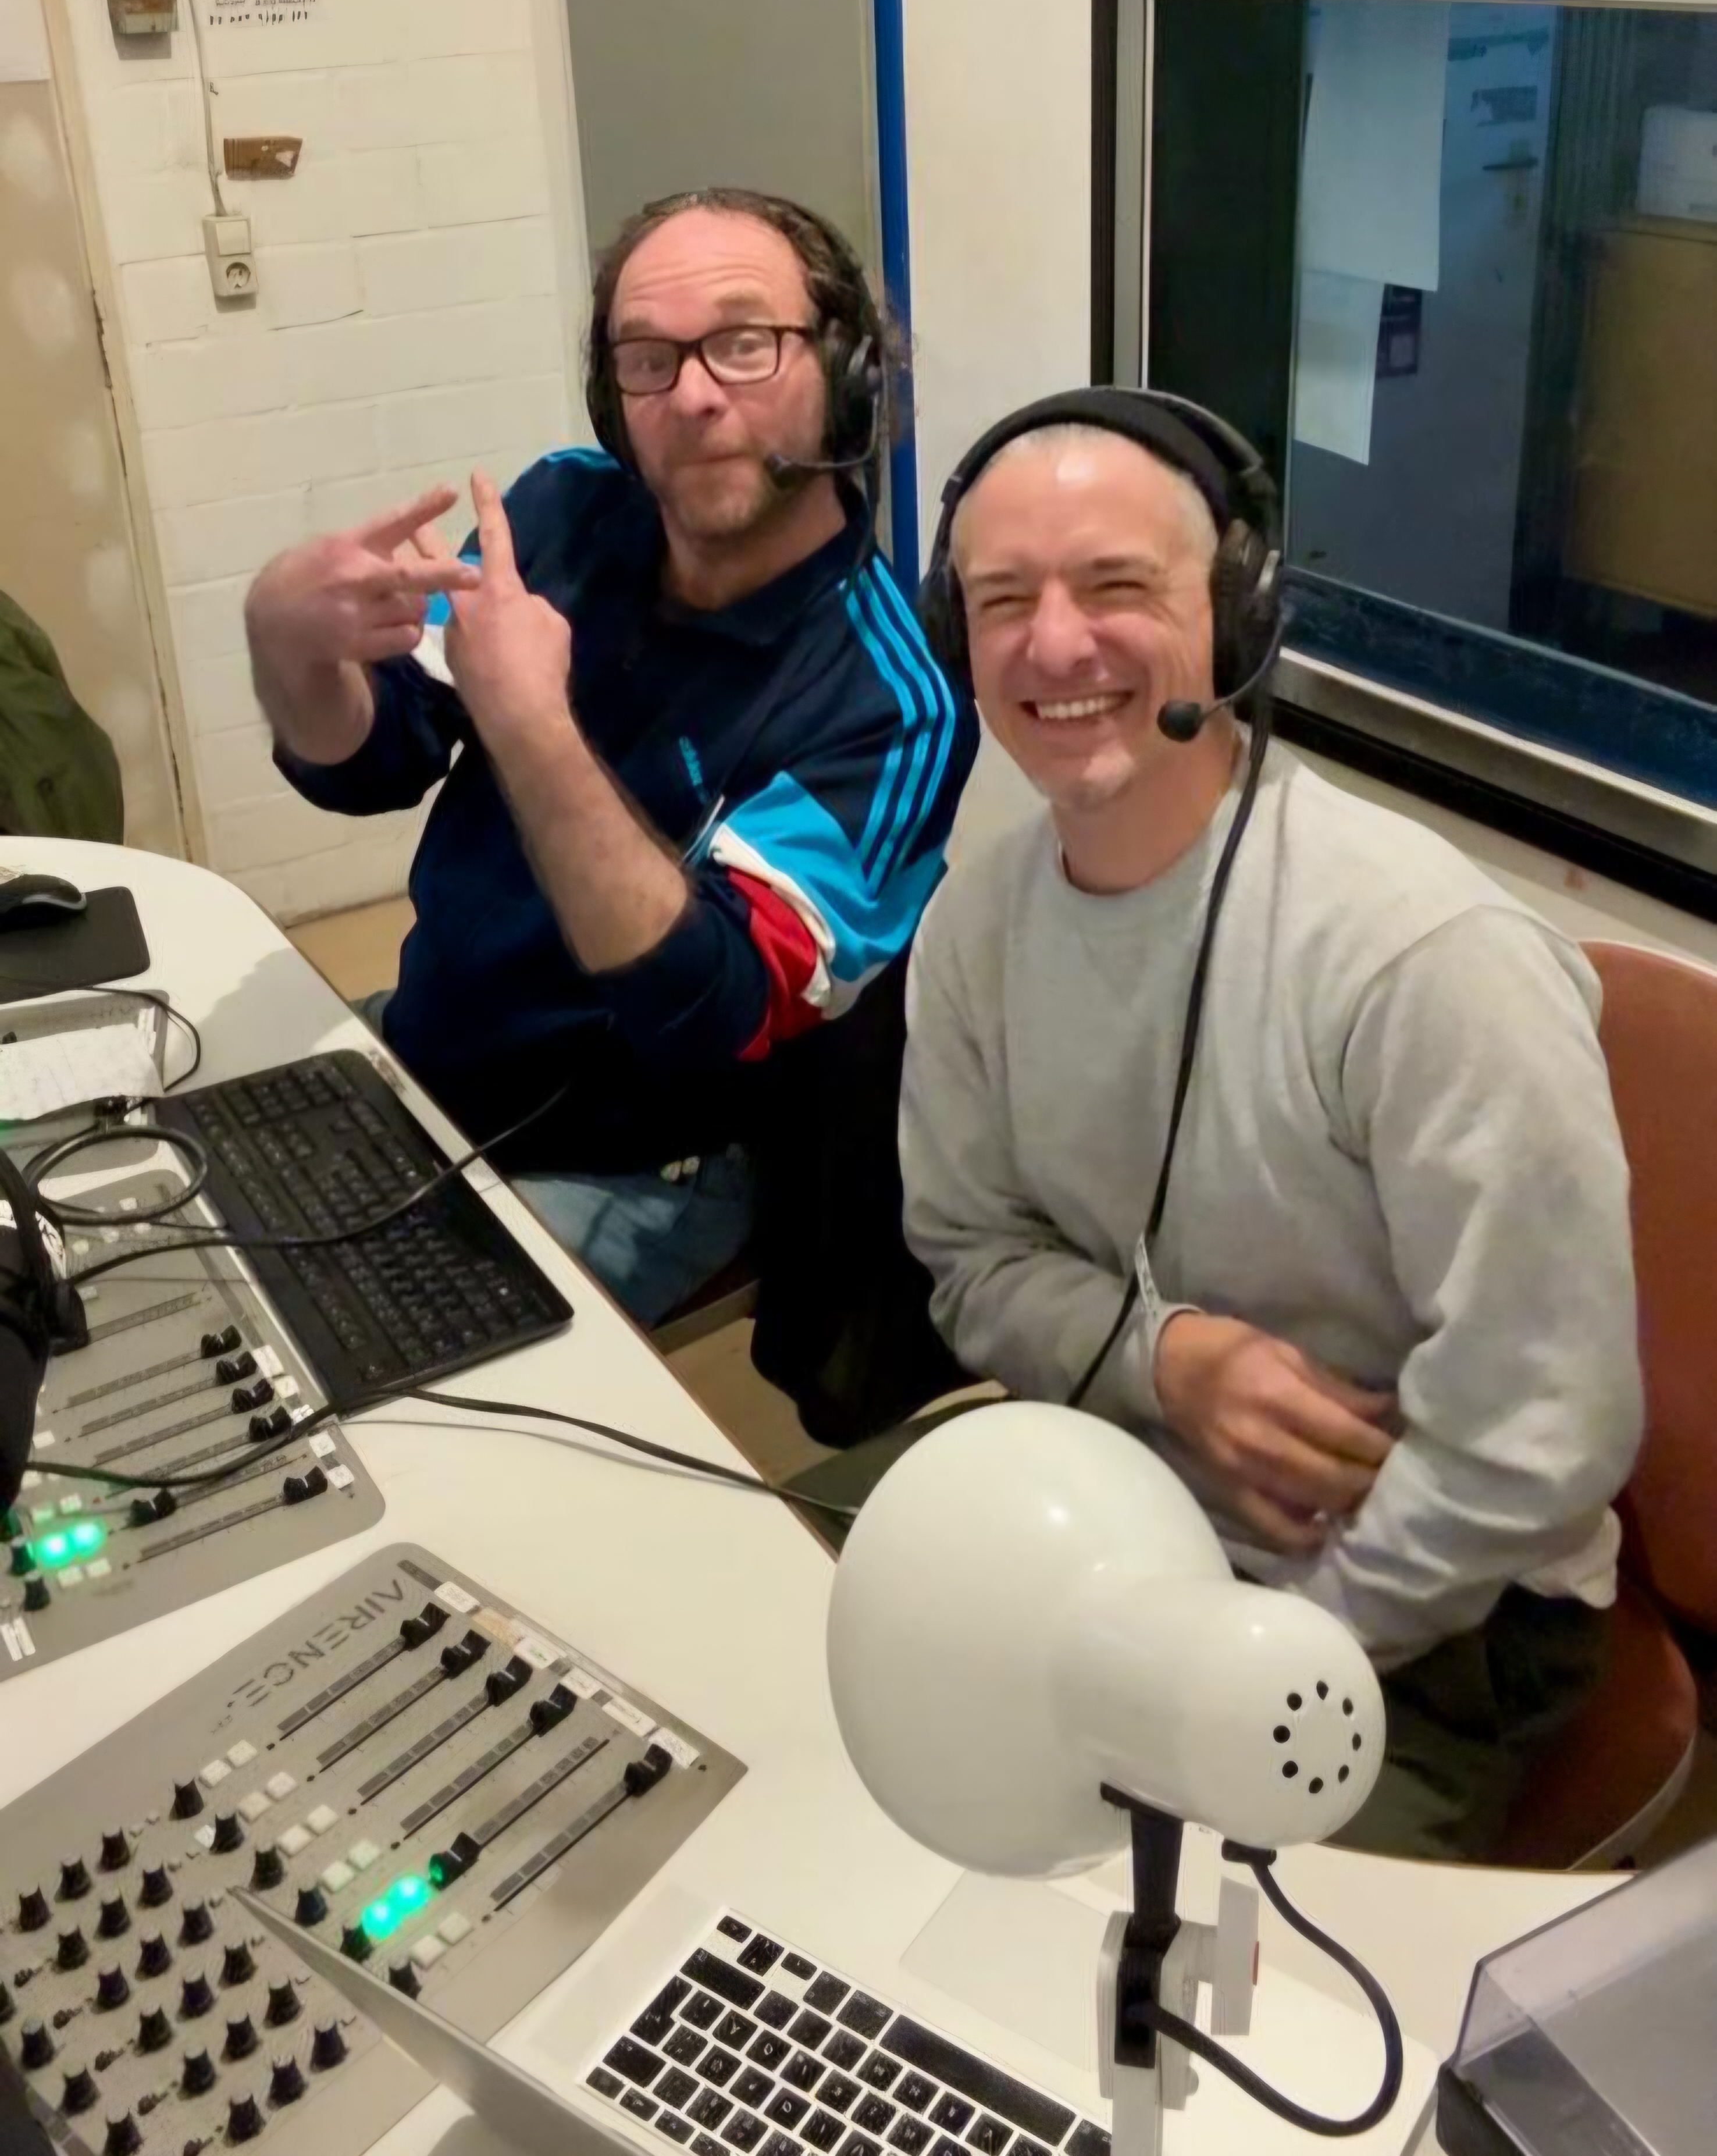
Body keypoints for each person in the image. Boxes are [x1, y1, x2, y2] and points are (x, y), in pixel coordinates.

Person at [899, 386, 1643, 1860]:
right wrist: (1165, 1360)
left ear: (1237, 616)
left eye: (1118, 588)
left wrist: (1268, 1667)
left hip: (1423, 1611)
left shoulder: (1422, 956)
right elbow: (969, 1255)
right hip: (1123, 1509)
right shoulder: (977, 926)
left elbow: (1540, 1434)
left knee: (1156, 1958)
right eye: (1004, 602)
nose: (1056, 646)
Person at [245, 188, 975, 1325]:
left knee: (367, 1367)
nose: (693, 395)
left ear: (849, 373)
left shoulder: (896, 706)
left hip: (635, 1162)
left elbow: (710, 1013)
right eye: (647, 359)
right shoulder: (562, 508)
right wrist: (289, 646)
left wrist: (535, 726)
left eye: (744, 343)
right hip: (434, 1046)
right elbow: (374, 757)